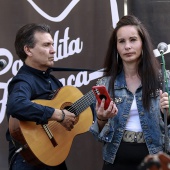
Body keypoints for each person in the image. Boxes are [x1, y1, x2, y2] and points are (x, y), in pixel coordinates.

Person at [90, 15, 170, 170]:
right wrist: (101, 118)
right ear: (116, 47)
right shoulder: (105, 84)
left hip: (155, 159)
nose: (127, 46)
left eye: (133, 40)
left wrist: (168, 113)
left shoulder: (164, 79)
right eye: (121, 41)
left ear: (142, 43)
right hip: (116, 159)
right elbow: (98, 134)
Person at [6, 23, 76, 170]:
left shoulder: (53, 81)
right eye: (46, 45)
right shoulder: (23, 81)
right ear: (28, 50)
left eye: (53, 44)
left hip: (54, 157)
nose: (53, 50)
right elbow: (16, 105)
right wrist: (57, 114)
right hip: (28, 161)